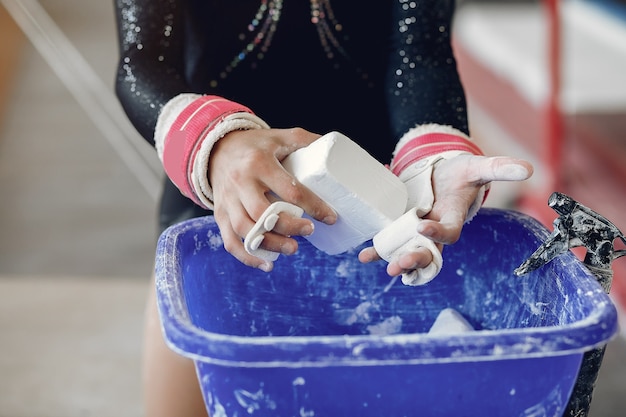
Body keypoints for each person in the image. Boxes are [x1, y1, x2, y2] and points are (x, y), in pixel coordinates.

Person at [113, 1, 533, 416]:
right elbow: (142, 62)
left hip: (384, 208)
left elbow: (421, 52)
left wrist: (431, 161)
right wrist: (218, 145)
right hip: (224, 195)